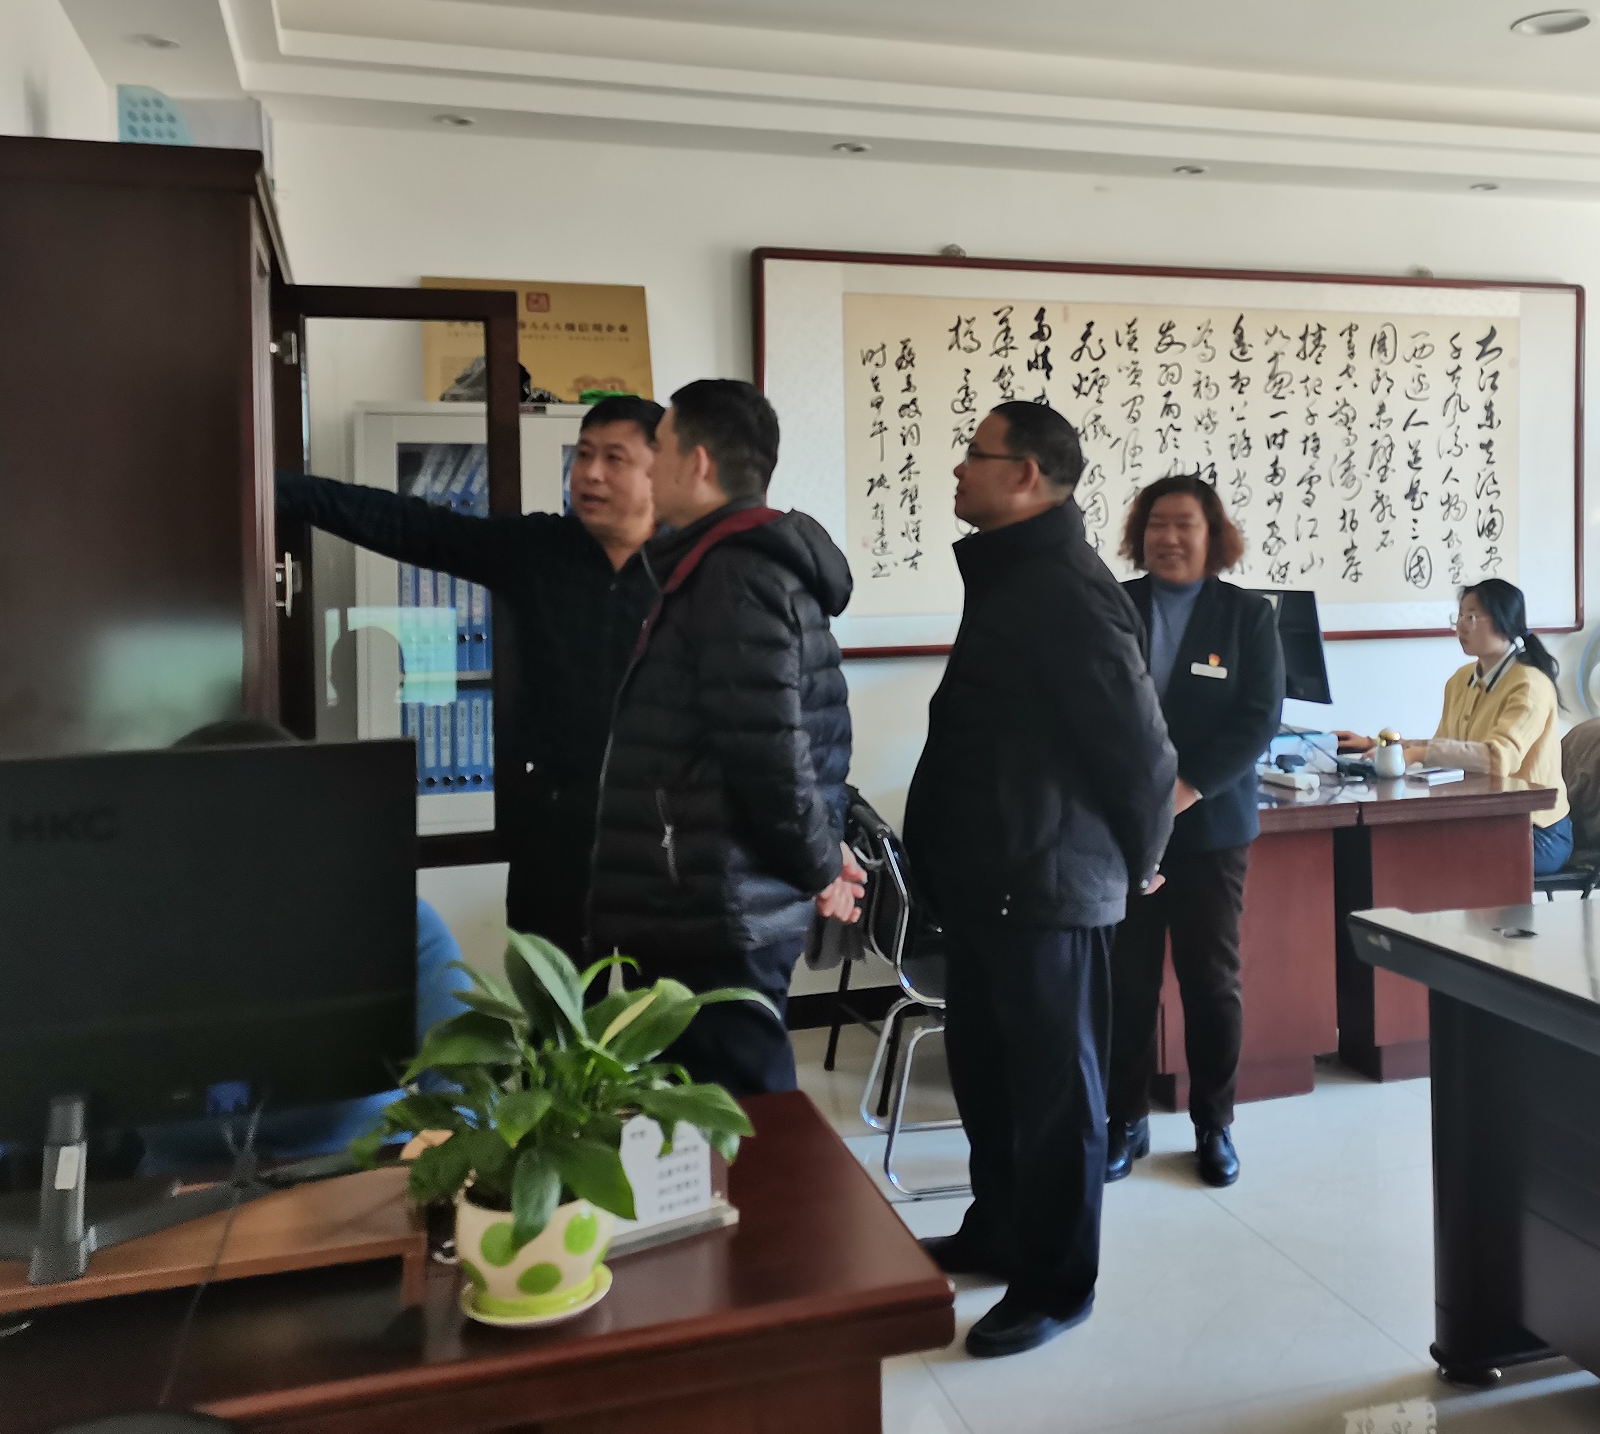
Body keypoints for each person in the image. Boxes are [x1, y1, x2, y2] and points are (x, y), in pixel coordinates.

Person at [0, 717, 467, 1222]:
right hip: (168, 1224)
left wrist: (443, 1149)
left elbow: (471, 1075)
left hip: (355, 1202)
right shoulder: (110, 949)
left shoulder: (393, 920)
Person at [905, 402, 1179, 1359]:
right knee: (990, 1077)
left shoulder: (1065, 585)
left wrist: (1142, 859)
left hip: (1048, 884)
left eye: (973, 454)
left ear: (1025, 475)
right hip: (995, 878)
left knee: (1057, 1096)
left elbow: (1140, 749)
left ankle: (1059, 1283)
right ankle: (1000, 1230)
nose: (958, 469)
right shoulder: (1015, 572)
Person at [277, 394, 664, 963]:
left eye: (614, 458)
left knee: (665, 1008)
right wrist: (289, 492)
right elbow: (417, 527)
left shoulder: (694, 570)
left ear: (662, 470)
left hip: (660, 831)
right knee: (549, 1006)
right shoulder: (540, 550)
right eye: (583, 454)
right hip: (555, 824)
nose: (591, 473)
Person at [587, 378, 863, 1098]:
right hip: (707, 897)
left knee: (738, 1117)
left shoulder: (735, 574)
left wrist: (821, 868)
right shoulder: (721, 565)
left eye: (658, 449)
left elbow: (769, 755)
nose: (648, 469)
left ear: (699, 463)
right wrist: (821, 858)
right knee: (701, 1116)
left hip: (714, 908)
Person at [1106, 476, 1283, 1191]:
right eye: (1156, 524)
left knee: (1211, 982)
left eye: (1184, 524)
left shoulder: (1247, 615)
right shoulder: (1113, 603)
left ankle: (1215, 1123)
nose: (1169, 538)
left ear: (1214, 536)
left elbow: (1258, 718)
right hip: (1122, 829)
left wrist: (1181, 793)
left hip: (1209, 827)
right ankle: (1125, 1119)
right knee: (1127, 981)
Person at [1337, 578, 1573, 873]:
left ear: (1504, 621)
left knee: (1430, 856)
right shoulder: (1461, 680)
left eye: (1471, 617)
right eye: (1459, 616)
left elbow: (1499, 758)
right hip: (1480, 817)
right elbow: (1446, 748)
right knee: (1387, 845)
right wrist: (1378, 745)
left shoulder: (1530, 685)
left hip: (1537, 830)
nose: (1461, 626)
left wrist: (1419, 754)